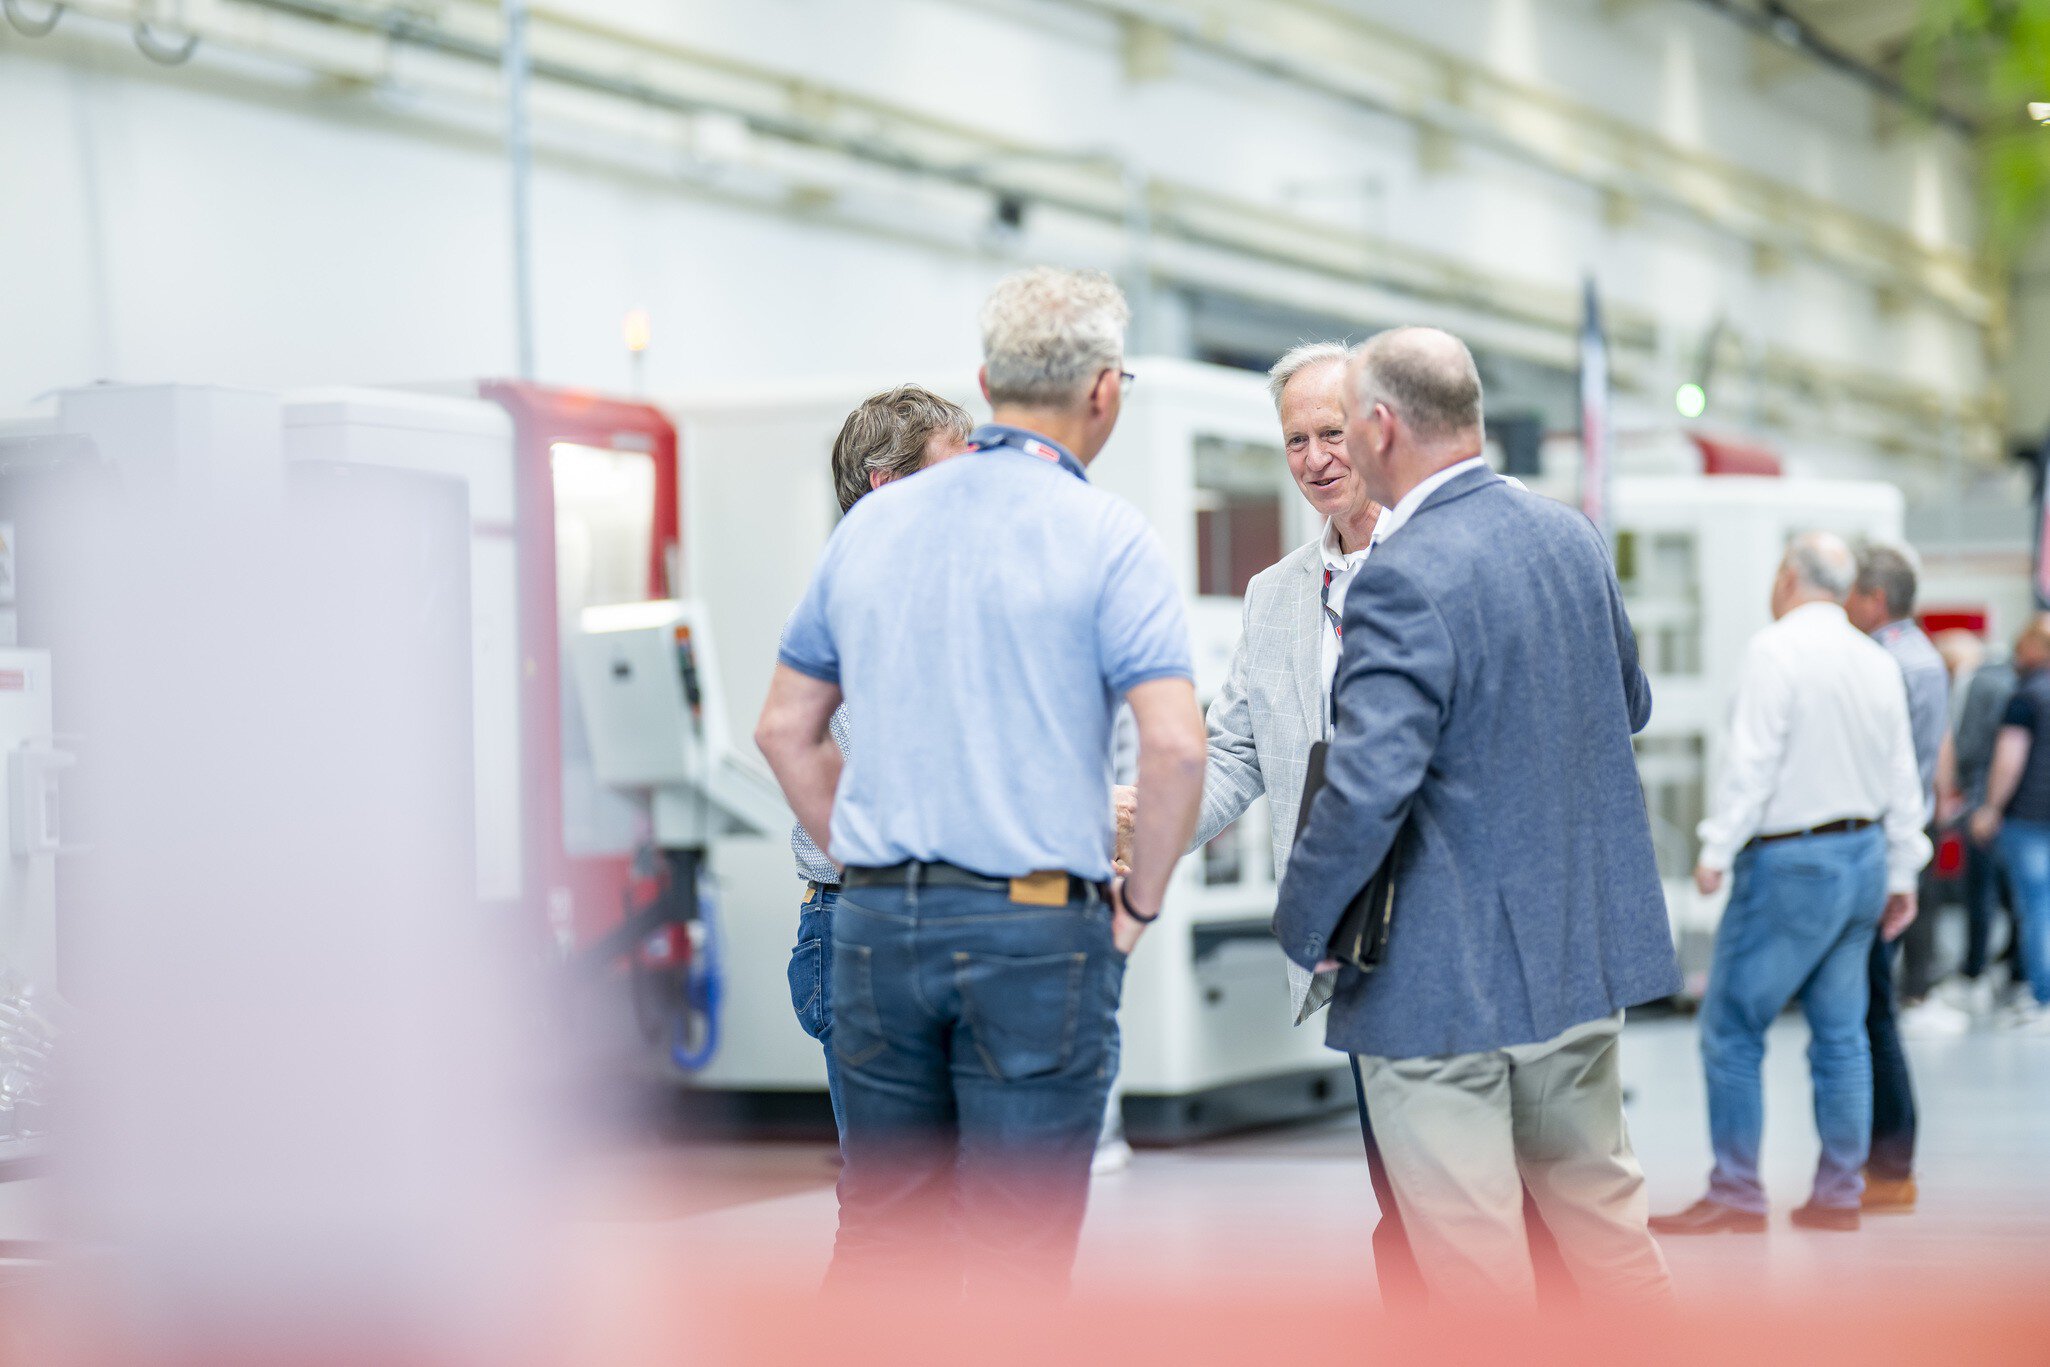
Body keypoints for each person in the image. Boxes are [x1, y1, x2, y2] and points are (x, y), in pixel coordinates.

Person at [755, 266, 1207, 1292]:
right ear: (1103, 390)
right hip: (1032, 925)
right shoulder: (1105, 532)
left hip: (874, 926)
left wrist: (870, 857)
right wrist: (1136, 904)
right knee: (1014, 1253)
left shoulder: (867, 530)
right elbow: (1178, 748)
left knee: (883, 1238)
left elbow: (784, 729)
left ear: (988, 383)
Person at [1110, 340, 1566, 1308]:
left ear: (1377, 427)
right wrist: (1149, 819)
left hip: (1492, 929)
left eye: (1331, 432)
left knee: (1531, 1205)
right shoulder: (1278, 595)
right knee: (1405, 1204)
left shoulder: (1463, 552)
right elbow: (1237, 750)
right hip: (1366, 943)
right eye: (1295, 441)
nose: (1316, 458)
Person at [1271, 327, 1678, 1306]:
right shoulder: (1571, 537)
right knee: (1611, 1237)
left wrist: (1303, 923)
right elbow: (1630, 705)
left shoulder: (1401, 572)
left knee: (1475, 1278)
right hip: (1578, 959)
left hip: (1441, 989)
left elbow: (1367, 786)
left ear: (1380, 426)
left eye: (1342, 427)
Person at [1654, 533, 1930, 1237]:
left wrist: (1716, 846)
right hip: (1864, 857)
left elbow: (1751, 764)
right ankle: (1839, 1193)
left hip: (1792, 863)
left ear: (1787, 578)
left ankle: (1737, 1192)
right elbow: (1902, 774)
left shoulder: (1774, 651)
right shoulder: (1876, 658)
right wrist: (1903, 869)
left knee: (1731, 1027)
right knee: (1842, 1034)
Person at [784, 386, 973, 1144]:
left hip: (934, 915)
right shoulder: (859, 601)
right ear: (887, 485)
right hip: (872, 921)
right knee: (896, 1192)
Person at [1842, 544, 1952, 1213]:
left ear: (1875, 599)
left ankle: (1888, 1163)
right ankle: (1882, 1159)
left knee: (1873, 1010)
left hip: (1882, 848)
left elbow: (1888, 769)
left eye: (1852, 594)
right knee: (1871, 1008)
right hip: (1903, 844)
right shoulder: (1924, 656)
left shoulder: (1884, 663)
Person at [1970, 620, 2050, 1032]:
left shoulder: (2027, 696)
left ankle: (2044, 996)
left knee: (2037, 908)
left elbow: (2009, 760)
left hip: (2030, 816)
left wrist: (1990, 808)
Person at [1942, 640, 2022, 1014]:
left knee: (1983, 892)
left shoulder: (1979, 684)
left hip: (1986, 804)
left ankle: (1976, 971)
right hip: (2011, 807)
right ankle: (2012, 969)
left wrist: (1981, 805)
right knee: (2013, 895)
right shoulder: (2010, 679)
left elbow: (1976, 748)